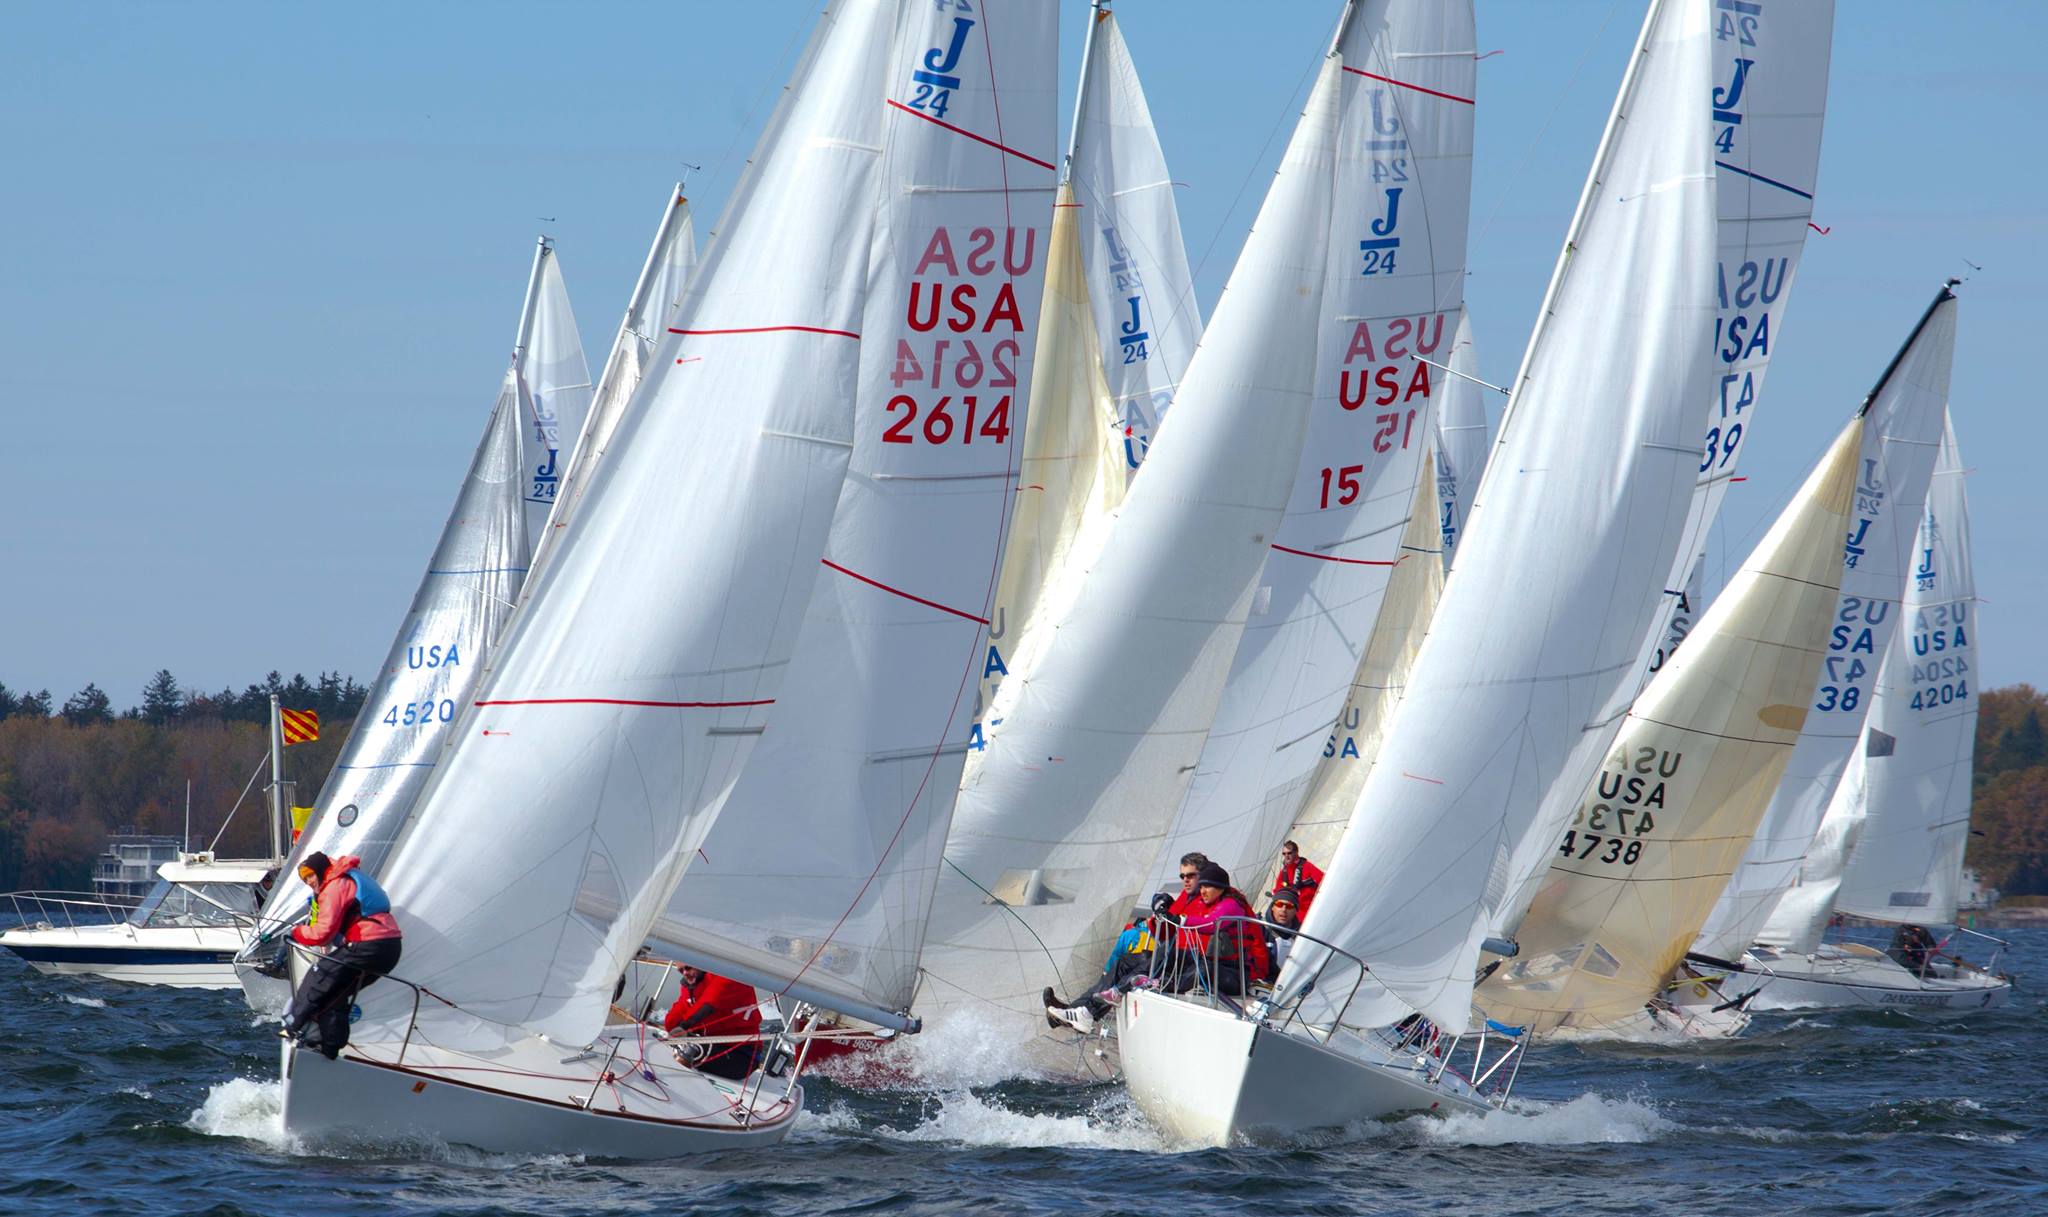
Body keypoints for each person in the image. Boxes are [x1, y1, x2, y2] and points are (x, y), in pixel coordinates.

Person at [279, 851, 403, 1060]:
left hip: (368, 945)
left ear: (321, 870)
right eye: (304, 878)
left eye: (310, 875)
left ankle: (293, 1026)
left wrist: (296, 932)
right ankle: (327, 1049)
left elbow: (322, 933)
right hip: (388, 947)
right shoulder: (346, 878)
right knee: (334, 994)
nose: (309, 881)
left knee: (319, 978)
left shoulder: (335, 885)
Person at [1044, 896, 1171, 1033]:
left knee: (1103, 988)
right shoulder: (1162, 939)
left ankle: (1072, 1013)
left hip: (1130, 976)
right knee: (1100, 989)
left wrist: (1108, 972)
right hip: (1130, 976)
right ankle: (1071, 1012)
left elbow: (1116, 953)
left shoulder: (1133, 934)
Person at [662, 965, 763, 1081]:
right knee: (675, 1043)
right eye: (681, 971)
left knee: (690, 1049)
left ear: (700, 962)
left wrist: (684, 1027)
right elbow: (681, 1009)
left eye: (689, 968)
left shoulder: (732, 977)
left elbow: (710, 1002)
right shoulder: (691, 985)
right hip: (713, 1043)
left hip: (742, 1057)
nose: (685, 973)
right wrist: (671, 1027)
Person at [1273, 841, 1325, 915]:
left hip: (1311, 912)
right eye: (1284, 854)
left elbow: (1324, 881)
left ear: (1296, 852)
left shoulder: (1307, 866)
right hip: (1292, 914)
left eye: (1289, 853)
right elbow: (1277, 892)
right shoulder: (1284, 872)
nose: (1286, 856)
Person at [1264, 888, 1303, 975]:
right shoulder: (1258, 927)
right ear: (1272, 907)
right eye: (1279, 904)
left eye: (1289, 906)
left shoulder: (1301, 935)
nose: (1283, 909)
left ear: (1296, 911)